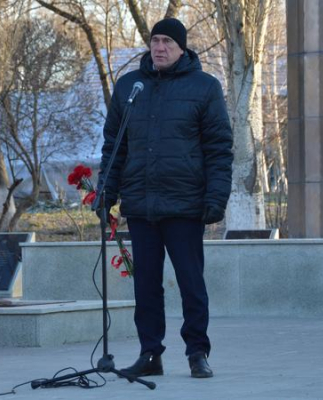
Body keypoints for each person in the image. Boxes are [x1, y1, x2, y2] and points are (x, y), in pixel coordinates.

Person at [96, 18, 233, 379]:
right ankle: (150, 353)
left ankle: (197, 352)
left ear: (181, 48)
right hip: (141, 205)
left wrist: (216, 197)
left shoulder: (205, 88)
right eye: (155, 40)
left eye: (167, 42)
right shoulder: (130, 86)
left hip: (185, 204)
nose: (159, 47)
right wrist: (105, 192)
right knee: (146, 286)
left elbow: (219, 148)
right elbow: (114, 145)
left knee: (191, 282)